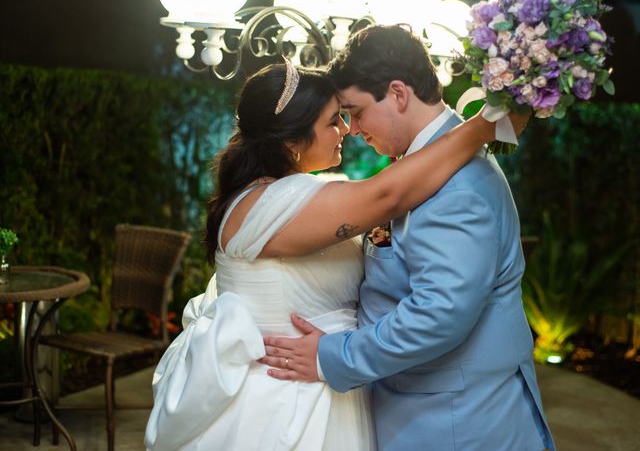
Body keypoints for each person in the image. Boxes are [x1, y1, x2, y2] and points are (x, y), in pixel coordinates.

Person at [143, 57, 526, 450]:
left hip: (327, 386)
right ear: (291, 141)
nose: (347, 129)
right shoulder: (271, 204)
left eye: (348, 115)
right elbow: (387, 193)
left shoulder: (293, 194)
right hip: (283, 402)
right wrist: (483, 126)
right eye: (333, 121)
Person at [261, 25, 556, 451]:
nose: (354, 128)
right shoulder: (429, 164)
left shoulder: (458, 188)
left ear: (398, 93)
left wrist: (332, 357)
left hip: (457, 423)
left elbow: (439, 313)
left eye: (356, 111)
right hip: (427, 407)